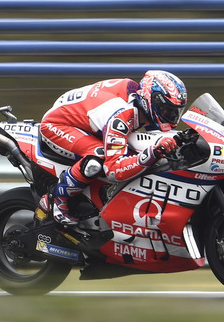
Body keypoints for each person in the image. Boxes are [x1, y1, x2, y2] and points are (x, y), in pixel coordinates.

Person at [39, 70, 188, 225]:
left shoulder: (140, 99)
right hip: (58, 124)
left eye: (176, 111)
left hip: (87, 119)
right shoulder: (121, 116)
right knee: (97, 159)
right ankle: (56, 200)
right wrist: (152, 154)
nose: (172, 117)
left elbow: (157, 134)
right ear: (152, 101)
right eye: (167, 110)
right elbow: (114, 170)